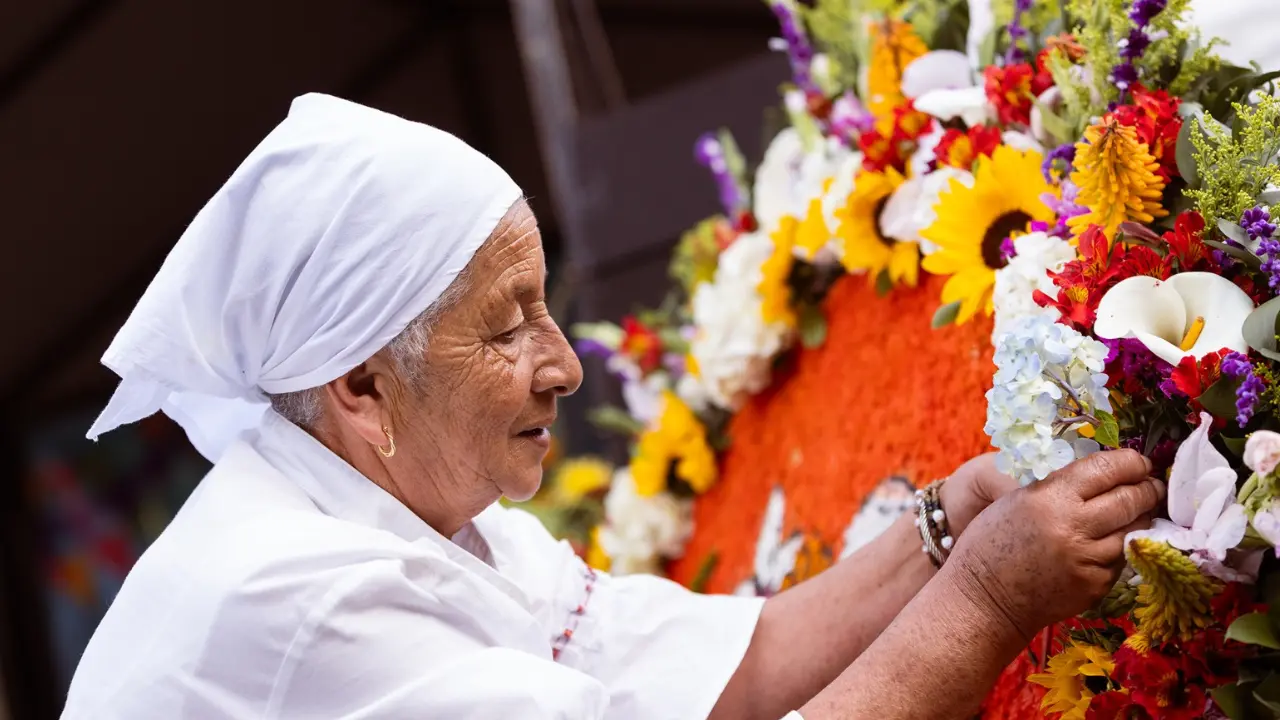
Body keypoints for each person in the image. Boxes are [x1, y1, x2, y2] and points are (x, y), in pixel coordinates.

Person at [65, 94, 1163, 720]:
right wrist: (984, 595)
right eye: (506, 326)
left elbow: (729, 667)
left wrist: (941, 522)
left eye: (545, 310)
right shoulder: (298, 599)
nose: (563, 365)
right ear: (358, 387)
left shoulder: (435, 514)